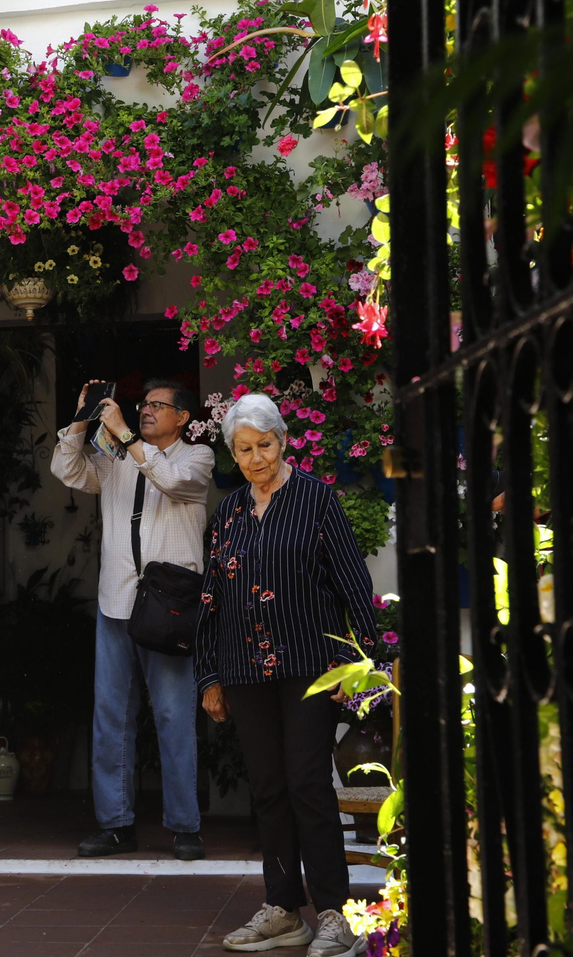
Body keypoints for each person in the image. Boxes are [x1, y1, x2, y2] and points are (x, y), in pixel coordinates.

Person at [195, 394, 380, 956]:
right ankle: (282, 909)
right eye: (244, 449)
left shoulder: (318, 501)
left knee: (306, 784)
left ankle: (334, 912)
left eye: (265, 445)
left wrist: (363, 661)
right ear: (233, 451)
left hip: (311, 666)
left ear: (283, 440)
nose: (256, 459)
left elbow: (353, 584)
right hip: (245, 667)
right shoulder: (227, 513)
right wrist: (210, 676)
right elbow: (212, 598)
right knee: (269, 788)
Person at [50, 377, 214, 860]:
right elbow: (67, 469)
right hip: (116, 603)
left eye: (157, 406)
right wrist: (82, 419)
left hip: (171, 609)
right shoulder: (117, 459)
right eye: (143, 404)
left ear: (182, 418)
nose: (145, 410)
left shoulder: (196, 459)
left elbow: (168, 480)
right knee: (110, 718)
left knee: (173, 716)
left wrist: (125, 436)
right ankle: (116, 824)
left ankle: (185, 827)